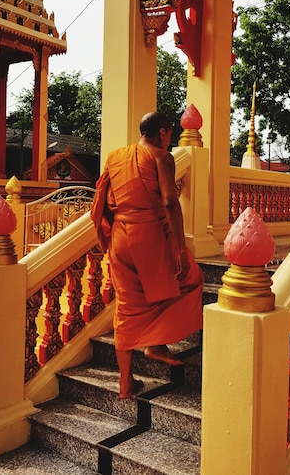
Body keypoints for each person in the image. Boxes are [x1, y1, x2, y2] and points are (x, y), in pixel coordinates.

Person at [90, 112, 204, 399]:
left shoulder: (115, 156)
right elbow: (169, 201)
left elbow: (102, 197)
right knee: (190, 279)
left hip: (120, 238)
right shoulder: (161, 157)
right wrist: (179, 247)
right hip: (150, 236)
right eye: (169, 136)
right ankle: (156, 343)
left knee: (127, 309)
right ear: (163, 133)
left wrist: (106, 233)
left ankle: (126, 382)